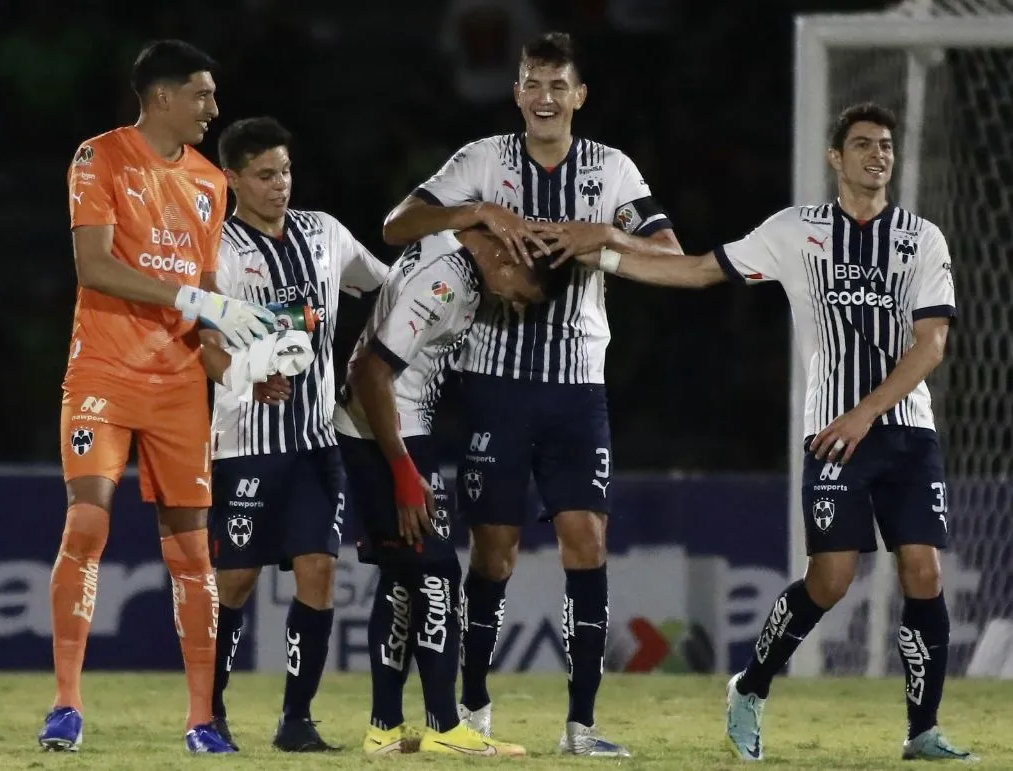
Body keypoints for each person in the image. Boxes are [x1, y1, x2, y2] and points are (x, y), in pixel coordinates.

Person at [559, 102, 975, 763]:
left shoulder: (919, 238)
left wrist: (866, 411)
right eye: (862, 144)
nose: (877, 155)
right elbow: (696, 268)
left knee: (922, 571)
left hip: (902, 429)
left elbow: (930, 344)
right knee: (831, 577)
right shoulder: (795, 231)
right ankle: (749, 687)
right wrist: (606, 258)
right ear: (835, 158)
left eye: (886, 146)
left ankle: (920, 731)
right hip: (830, 434)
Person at [381, 31, 681, 757]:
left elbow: (670, 255)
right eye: (531, 84)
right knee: (496, 551)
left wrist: (602, 237)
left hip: (578, 390)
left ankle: (580, 725)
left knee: (588, 541)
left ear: (579, 96)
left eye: (557, 85)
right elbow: (397, 225)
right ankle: (474, 708)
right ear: (516, 92)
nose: (543, 97)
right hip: (495, 384)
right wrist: (477, 215)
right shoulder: (483, 161)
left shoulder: (610, 170)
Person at [42, 40, 274, 754]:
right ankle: (66, 705)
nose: (213, 108)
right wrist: (193, 295)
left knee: (193, 554)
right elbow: (94, 265)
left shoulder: (210, 181)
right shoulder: (99, 157)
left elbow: (201, 309)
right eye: (202, 95)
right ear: (163, 96)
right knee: (87, 523)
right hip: (104, 376)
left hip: (176, 384)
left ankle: (201, 719)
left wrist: (237, 365)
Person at [333, 228, 563, 757]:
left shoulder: (442, 242)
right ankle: (443, 726)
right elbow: (372, 370)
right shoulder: (445, 283)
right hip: (387, 434)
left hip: (386, 428)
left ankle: (384, 730)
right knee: (436, 571)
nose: (510, 302)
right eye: (519, 291)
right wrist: (403, 472)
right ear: (506, 259)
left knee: (401, 577)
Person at [197, 117, 388, 752]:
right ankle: (210, 713)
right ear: (232, 178)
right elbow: (200, 341)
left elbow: (384, 286)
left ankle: (296, 720)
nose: (280, 186)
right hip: (244, 443)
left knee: (318, 569)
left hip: (315, 442)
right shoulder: (215, 249)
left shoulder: (325, 234)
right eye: (265, 175)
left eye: (285, 172)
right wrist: (242, 379)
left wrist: (371, 362)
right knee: (238, 581)